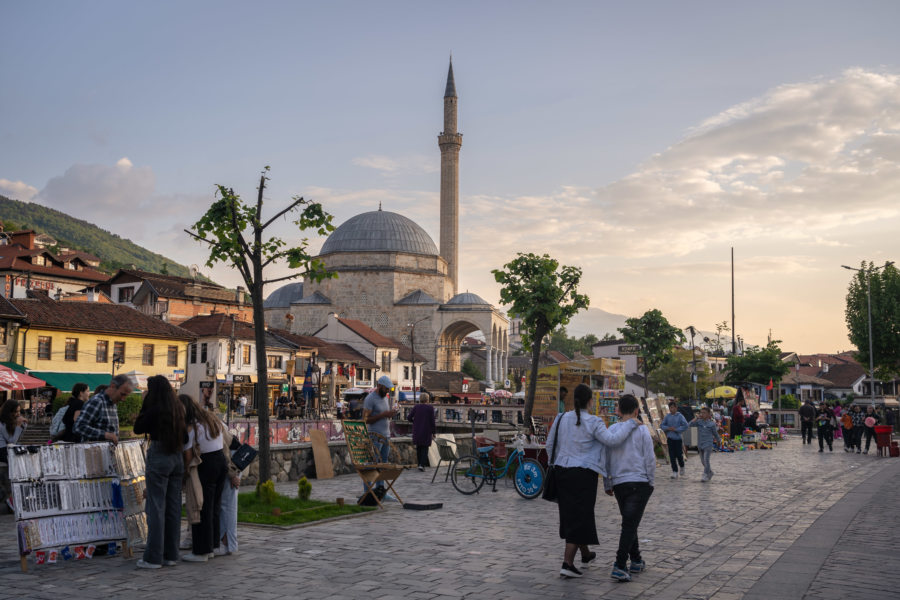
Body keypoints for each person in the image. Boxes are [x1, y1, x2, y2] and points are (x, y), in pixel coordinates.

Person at [545, 385, 639, 580]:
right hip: (583, 475)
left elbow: (549, 445)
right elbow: (612, 441)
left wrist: (557, 462)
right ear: (590, 401)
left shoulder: (561, 418)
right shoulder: (594, 422)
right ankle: (567, 563)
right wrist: (631, 424)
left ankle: (586, 554)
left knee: (571, 514)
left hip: (562, 472)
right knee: (580, 517)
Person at [133, 375, 187, 569]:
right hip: (177, 457)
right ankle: (171, 555)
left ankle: (153, 557)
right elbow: (186, 435)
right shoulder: (179, 408)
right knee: (173, 508)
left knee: (156, 507)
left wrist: (145, 404)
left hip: (159, 455)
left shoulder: (154, 408)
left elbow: (138, 427)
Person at [603, 394, 655, 583]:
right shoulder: (642, 431)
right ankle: (619, 564)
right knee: (629, 525)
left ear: (618, 410)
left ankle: (636, 559)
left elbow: (606, 458)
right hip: (639, 481)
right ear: (636, 411)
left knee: (629, 522)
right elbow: (649, 459)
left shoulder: (612, 430)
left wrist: (607, 482)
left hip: (619, 483)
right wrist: (651, 481)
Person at [181, 395, 226, 562]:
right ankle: (213, 546)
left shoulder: (192, 427)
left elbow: (187, 454)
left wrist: (185, 473)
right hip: (220, 461)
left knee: (201, 507)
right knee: (214, 507)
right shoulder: (211, 420)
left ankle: (201, 551)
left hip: (205, 464)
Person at [362, 375, 396, 498]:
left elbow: (384, 414)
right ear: (380, 386)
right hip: (374, 436)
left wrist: (390, 414)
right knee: (372, 464)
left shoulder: (385, 398)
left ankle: (380, 490)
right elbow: (365, 419)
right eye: (386, 388)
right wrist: (383, 415)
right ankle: (368, 492)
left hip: (385, 435)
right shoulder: (370, 399)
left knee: (383, 464)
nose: (387, 391)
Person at [73, 374, 133, 444]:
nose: (123, 399)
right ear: (113, 386)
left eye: (126, 396)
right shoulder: (97, 401)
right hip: (94, 452)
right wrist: (105, 435)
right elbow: (78, 427)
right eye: (122, 394)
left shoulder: (113, 404)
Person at [690, 407, 720, 482]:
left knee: (706, 460)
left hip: (708, 444)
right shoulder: (699, 422)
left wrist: (719, 441)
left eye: (704, 413)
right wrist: (696, 418)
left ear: (709, 414)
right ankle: (710, 472)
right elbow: (689, 425)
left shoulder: (712, 424)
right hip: (700, 444)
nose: (702, 414)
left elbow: (715, 434)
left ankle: (705, 475)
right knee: (703, 461)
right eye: (701, 412)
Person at [407, 394, 436, 471]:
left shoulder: (416, 407)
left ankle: (419, 464)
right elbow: (432, 421)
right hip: (426, 430)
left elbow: (409, 417)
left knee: (419, 447)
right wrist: (434, 432)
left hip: (417, 430)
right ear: (427, 399)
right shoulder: (430, 408)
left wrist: (414, 422)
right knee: (425, 448)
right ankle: (422, 465)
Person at [660, 402, 689, 479]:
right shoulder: (667, 416)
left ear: (676, 408)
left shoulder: (680, 416)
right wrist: (668, 428)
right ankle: (675, 471)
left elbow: (686, 425)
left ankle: (682, 466)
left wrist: (677, 429)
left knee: (679, 455)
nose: (672, 409)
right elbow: (662, 425)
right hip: (670, 438)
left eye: (673, 407)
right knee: (672, 456)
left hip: (678, 438)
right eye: (670, 408)